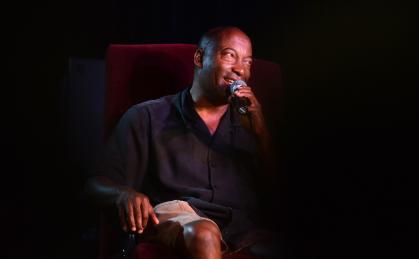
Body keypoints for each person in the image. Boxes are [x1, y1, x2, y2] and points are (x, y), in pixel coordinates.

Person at [84, 26, 280, 259]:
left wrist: (262, 134)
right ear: (199, 58)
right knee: (204, 234)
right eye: (229, 55)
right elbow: (93, 185)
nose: (240, 69)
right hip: (181, 213)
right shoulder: (148, 116)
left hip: (241, 226)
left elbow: (280, 193)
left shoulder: (252, 122)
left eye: (247, 62)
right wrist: (123, 194)